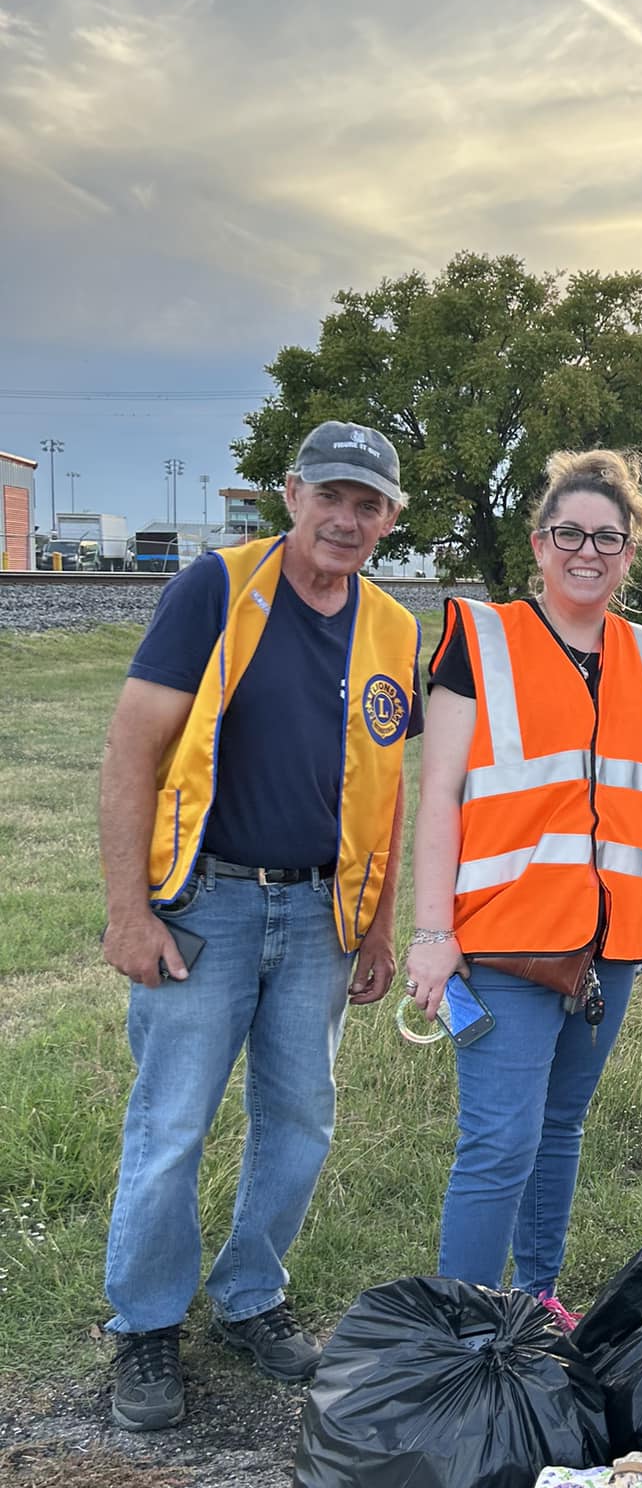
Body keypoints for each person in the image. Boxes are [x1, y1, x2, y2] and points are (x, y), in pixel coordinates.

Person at [100, 422, 422, 1431]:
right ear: (289, 494)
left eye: (368, 503)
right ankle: (146, 1323)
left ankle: (250, 1295)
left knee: (300, 1120)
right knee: (172, 1124)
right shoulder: (216, 587)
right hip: (211, 904)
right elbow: (132, 748)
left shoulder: (393, 628)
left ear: (391, 520)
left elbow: (387, 788)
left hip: (322, 910)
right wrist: (128, 908)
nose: (346, 516)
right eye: (331, 493)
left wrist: (373, 928)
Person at [405, 449, 642, 1329]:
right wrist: (429, 934)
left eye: (609, 536)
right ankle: (461, 1331)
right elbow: (440, 794)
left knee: (560, 1127)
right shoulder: (481, 640)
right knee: (499, 1143)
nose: (588, 552)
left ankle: (534, 1301)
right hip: (505, 942)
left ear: (632, 550)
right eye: (570, 534)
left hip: (614, 942)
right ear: (539, 543)